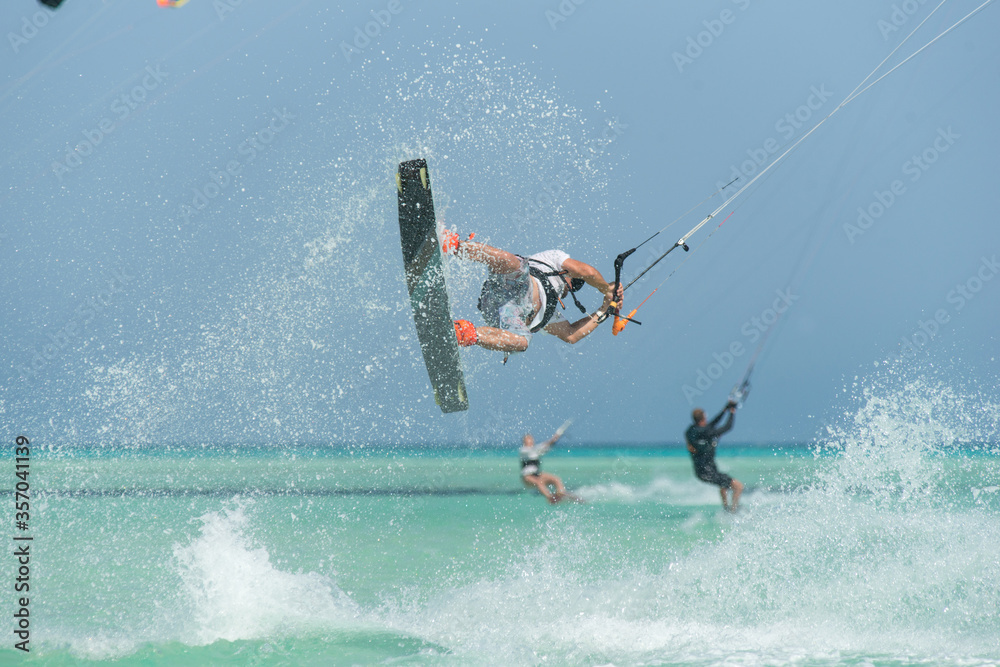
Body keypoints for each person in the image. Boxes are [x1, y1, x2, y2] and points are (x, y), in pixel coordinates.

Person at [441, 230, 624, 354]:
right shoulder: (553, 259)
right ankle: (453, 246)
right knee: (512, 261)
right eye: (573, 283)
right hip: (510, 282)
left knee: (522, 342)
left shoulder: (550, 313)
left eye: (573, 289)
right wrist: (606, 288)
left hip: (503, 313)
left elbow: (571, 335)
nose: (570, 289)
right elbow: (588, 272)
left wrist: (605, 310)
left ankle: (464, 333)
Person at [685, 400, 744, 512]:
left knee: (724, 486)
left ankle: (726, 508)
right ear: (703, 419)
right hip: (708, 472)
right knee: (738, 486)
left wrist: (724, 409)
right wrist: (732, 412)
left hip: (702, 472)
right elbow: (727, 427)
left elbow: (711, 424)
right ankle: (733, 511)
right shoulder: (707, 433)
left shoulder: (691, 431)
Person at [519, 421, 575, 503]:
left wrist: (555, 439)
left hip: (537, 474)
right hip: (527, 477)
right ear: (524, 442)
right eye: (528, 439)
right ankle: (550, 497)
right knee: (539, 482)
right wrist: (552, 439)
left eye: (531, 439)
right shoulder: (523, 450)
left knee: (556, 479)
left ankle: (561, 493)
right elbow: (540, 447)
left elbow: (546, 447)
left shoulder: (536, 450)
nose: (530, 441)